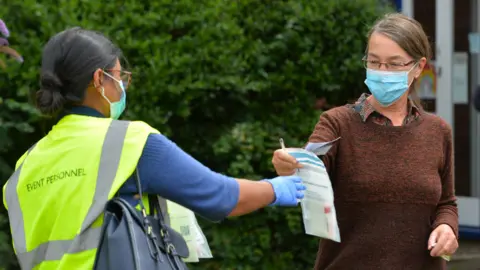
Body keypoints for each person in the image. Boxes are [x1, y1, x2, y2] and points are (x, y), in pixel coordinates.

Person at [2, 27, 306, 270]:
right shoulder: (128, 142)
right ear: (99, 79)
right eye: (120, 77)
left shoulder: (25, 166)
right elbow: (221, 197)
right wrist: (276, 189)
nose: (123, 87)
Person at [271, 13, 458, 270]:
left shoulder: (437, 131)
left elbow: (446, 203)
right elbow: (308, 170)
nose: (382, 72)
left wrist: (447, 227)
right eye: (374, 61)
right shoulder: (336, 123)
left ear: (418, 67)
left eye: (393, 64)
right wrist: (291, 167)